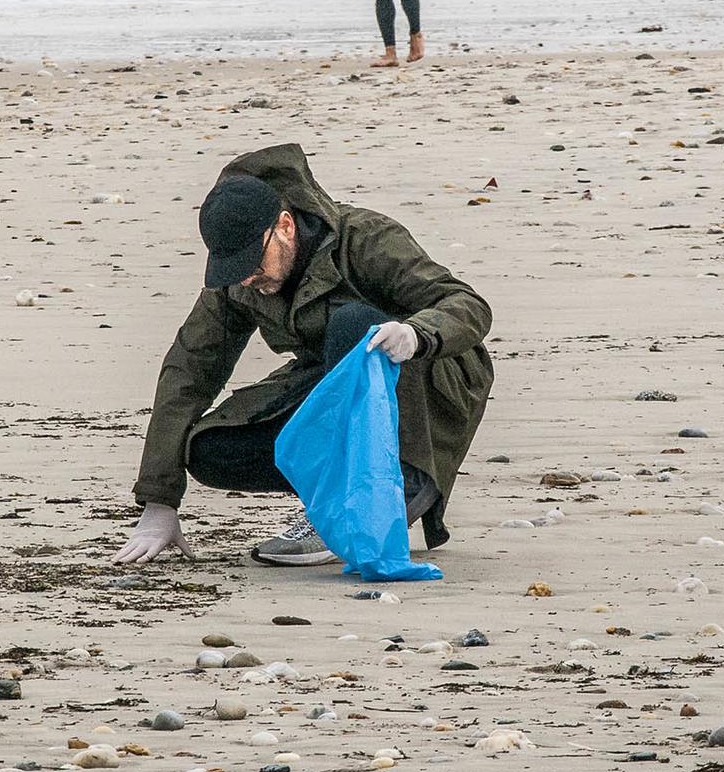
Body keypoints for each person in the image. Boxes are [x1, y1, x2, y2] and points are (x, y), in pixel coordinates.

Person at [113, 143, 492, 568]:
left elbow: (468, 305)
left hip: (427, 383)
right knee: (210, 449)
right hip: (331, 382)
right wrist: (159, 502)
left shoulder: (365, 238)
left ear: (286, 227)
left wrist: (415, 333)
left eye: (254, 261)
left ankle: (390, 490)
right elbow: (189, 371)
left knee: (355, 325)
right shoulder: (240, 282)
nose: (247, 277)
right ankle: (332, 497)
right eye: (235, 268)